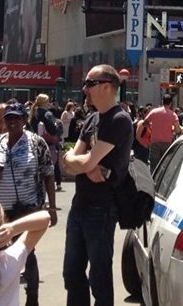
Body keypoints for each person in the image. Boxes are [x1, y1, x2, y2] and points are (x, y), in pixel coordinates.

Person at [61, 65, 133, 306]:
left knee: (99, 278)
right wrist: (86, 165)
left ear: (107, 87)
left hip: (102, 209)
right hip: (79, 205)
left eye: (90, 83)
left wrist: (83, 163)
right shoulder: (92, 118)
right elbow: (69, 159)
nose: (85, 89)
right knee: (72, 273)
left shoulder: (119, 120)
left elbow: (80, 160)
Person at [0, 103, 57, 306]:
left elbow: (48, 174)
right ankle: (1, 298)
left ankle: (32, 298)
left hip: (27, 209)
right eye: (9, 118)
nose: (13, 122)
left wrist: (51, 208)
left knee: (27, 253)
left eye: (17, 118)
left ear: (25, 120)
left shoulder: (36, 142)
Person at [143, 93, 181, 169]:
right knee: (165, 166)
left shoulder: (154, 111)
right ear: (171, 103)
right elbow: (177, 130)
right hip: (167, 143)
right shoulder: (173, 114)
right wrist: (172, 129)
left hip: (155, 142)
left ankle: (153, 177)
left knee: (154, 166)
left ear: (162, 101)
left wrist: (151, 126)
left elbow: (144, 123)